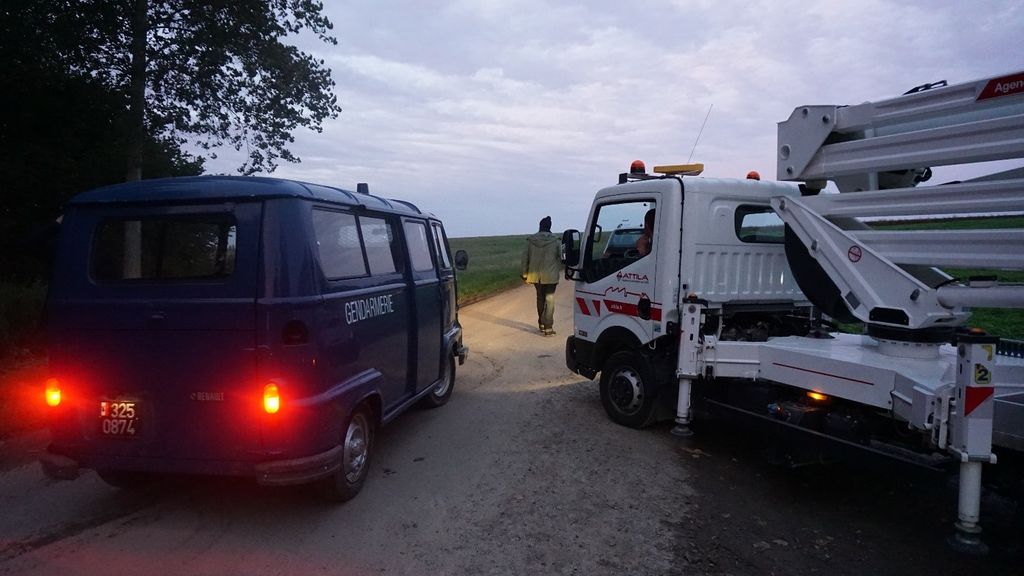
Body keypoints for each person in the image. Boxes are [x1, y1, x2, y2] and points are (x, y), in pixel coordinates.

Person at [522, 216, 561, 336]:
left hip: (536, 277)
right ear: (550, 227)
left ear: (540, 226)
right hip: (551, 276)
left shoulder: (531, 240)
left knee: (540, 298)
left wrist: (524, 273)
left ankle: (541, 324)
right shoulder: (556, 241)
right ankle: (548, 327)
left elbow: (525, 258)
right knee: (549, 299)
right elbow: (561, 256)